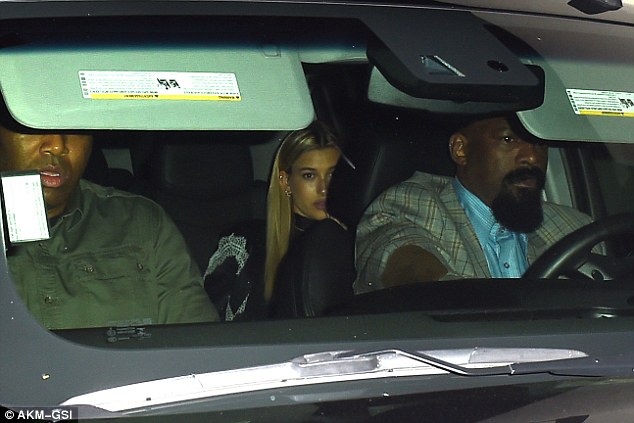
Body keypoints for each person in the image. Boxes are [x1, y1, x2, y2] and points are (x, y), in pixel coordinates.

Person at [0, 121, 219, 329]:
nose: (57, 145)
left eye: (74, 126)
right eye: (32, 126)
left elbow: (199, 343)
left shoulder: (141, 224)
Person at [354, 114, 593, 294]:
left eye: (540, 143)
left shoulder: (575, 228)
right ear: (461, 150)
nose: (532, 157)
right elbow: (404, 265)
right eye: (508, 139)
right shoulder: (414, 205)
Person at [204, 121, 348, 320]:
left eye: (333, 174)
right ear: (285, 181)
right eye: (309, 175)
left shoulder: (358, 244)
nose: (324, 189)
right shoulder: (246, 244)